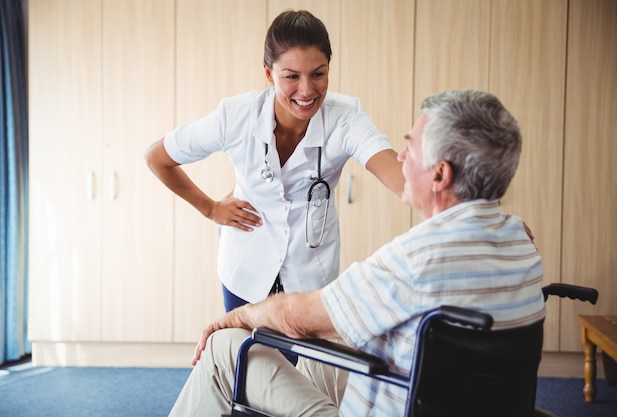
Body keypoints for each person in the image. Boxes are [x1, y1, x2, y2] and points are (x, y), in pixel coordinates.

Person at [166, 90, 547, 417]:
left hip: (397, 403)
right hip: (451, 396)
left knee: (225, 346)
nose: (400, 158)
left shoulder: (414, 260)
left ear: (440, 175)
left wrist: (235, 317)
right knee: (320, 351)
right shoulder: (520, 243)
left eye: (410, 148)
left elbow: (297, 319)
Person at [144, 10, 404, 312]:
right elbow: (157, 157)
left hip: (309, 278)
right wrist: (211, 208)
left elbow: (398, 176)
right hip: (245, 270)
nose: (306, 90)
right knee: (247, 357)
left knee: (300, 361)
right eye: (291, 76)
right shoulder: (236, 116)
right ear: (269, 74)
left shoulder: (345, 117)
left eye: (318, 74)